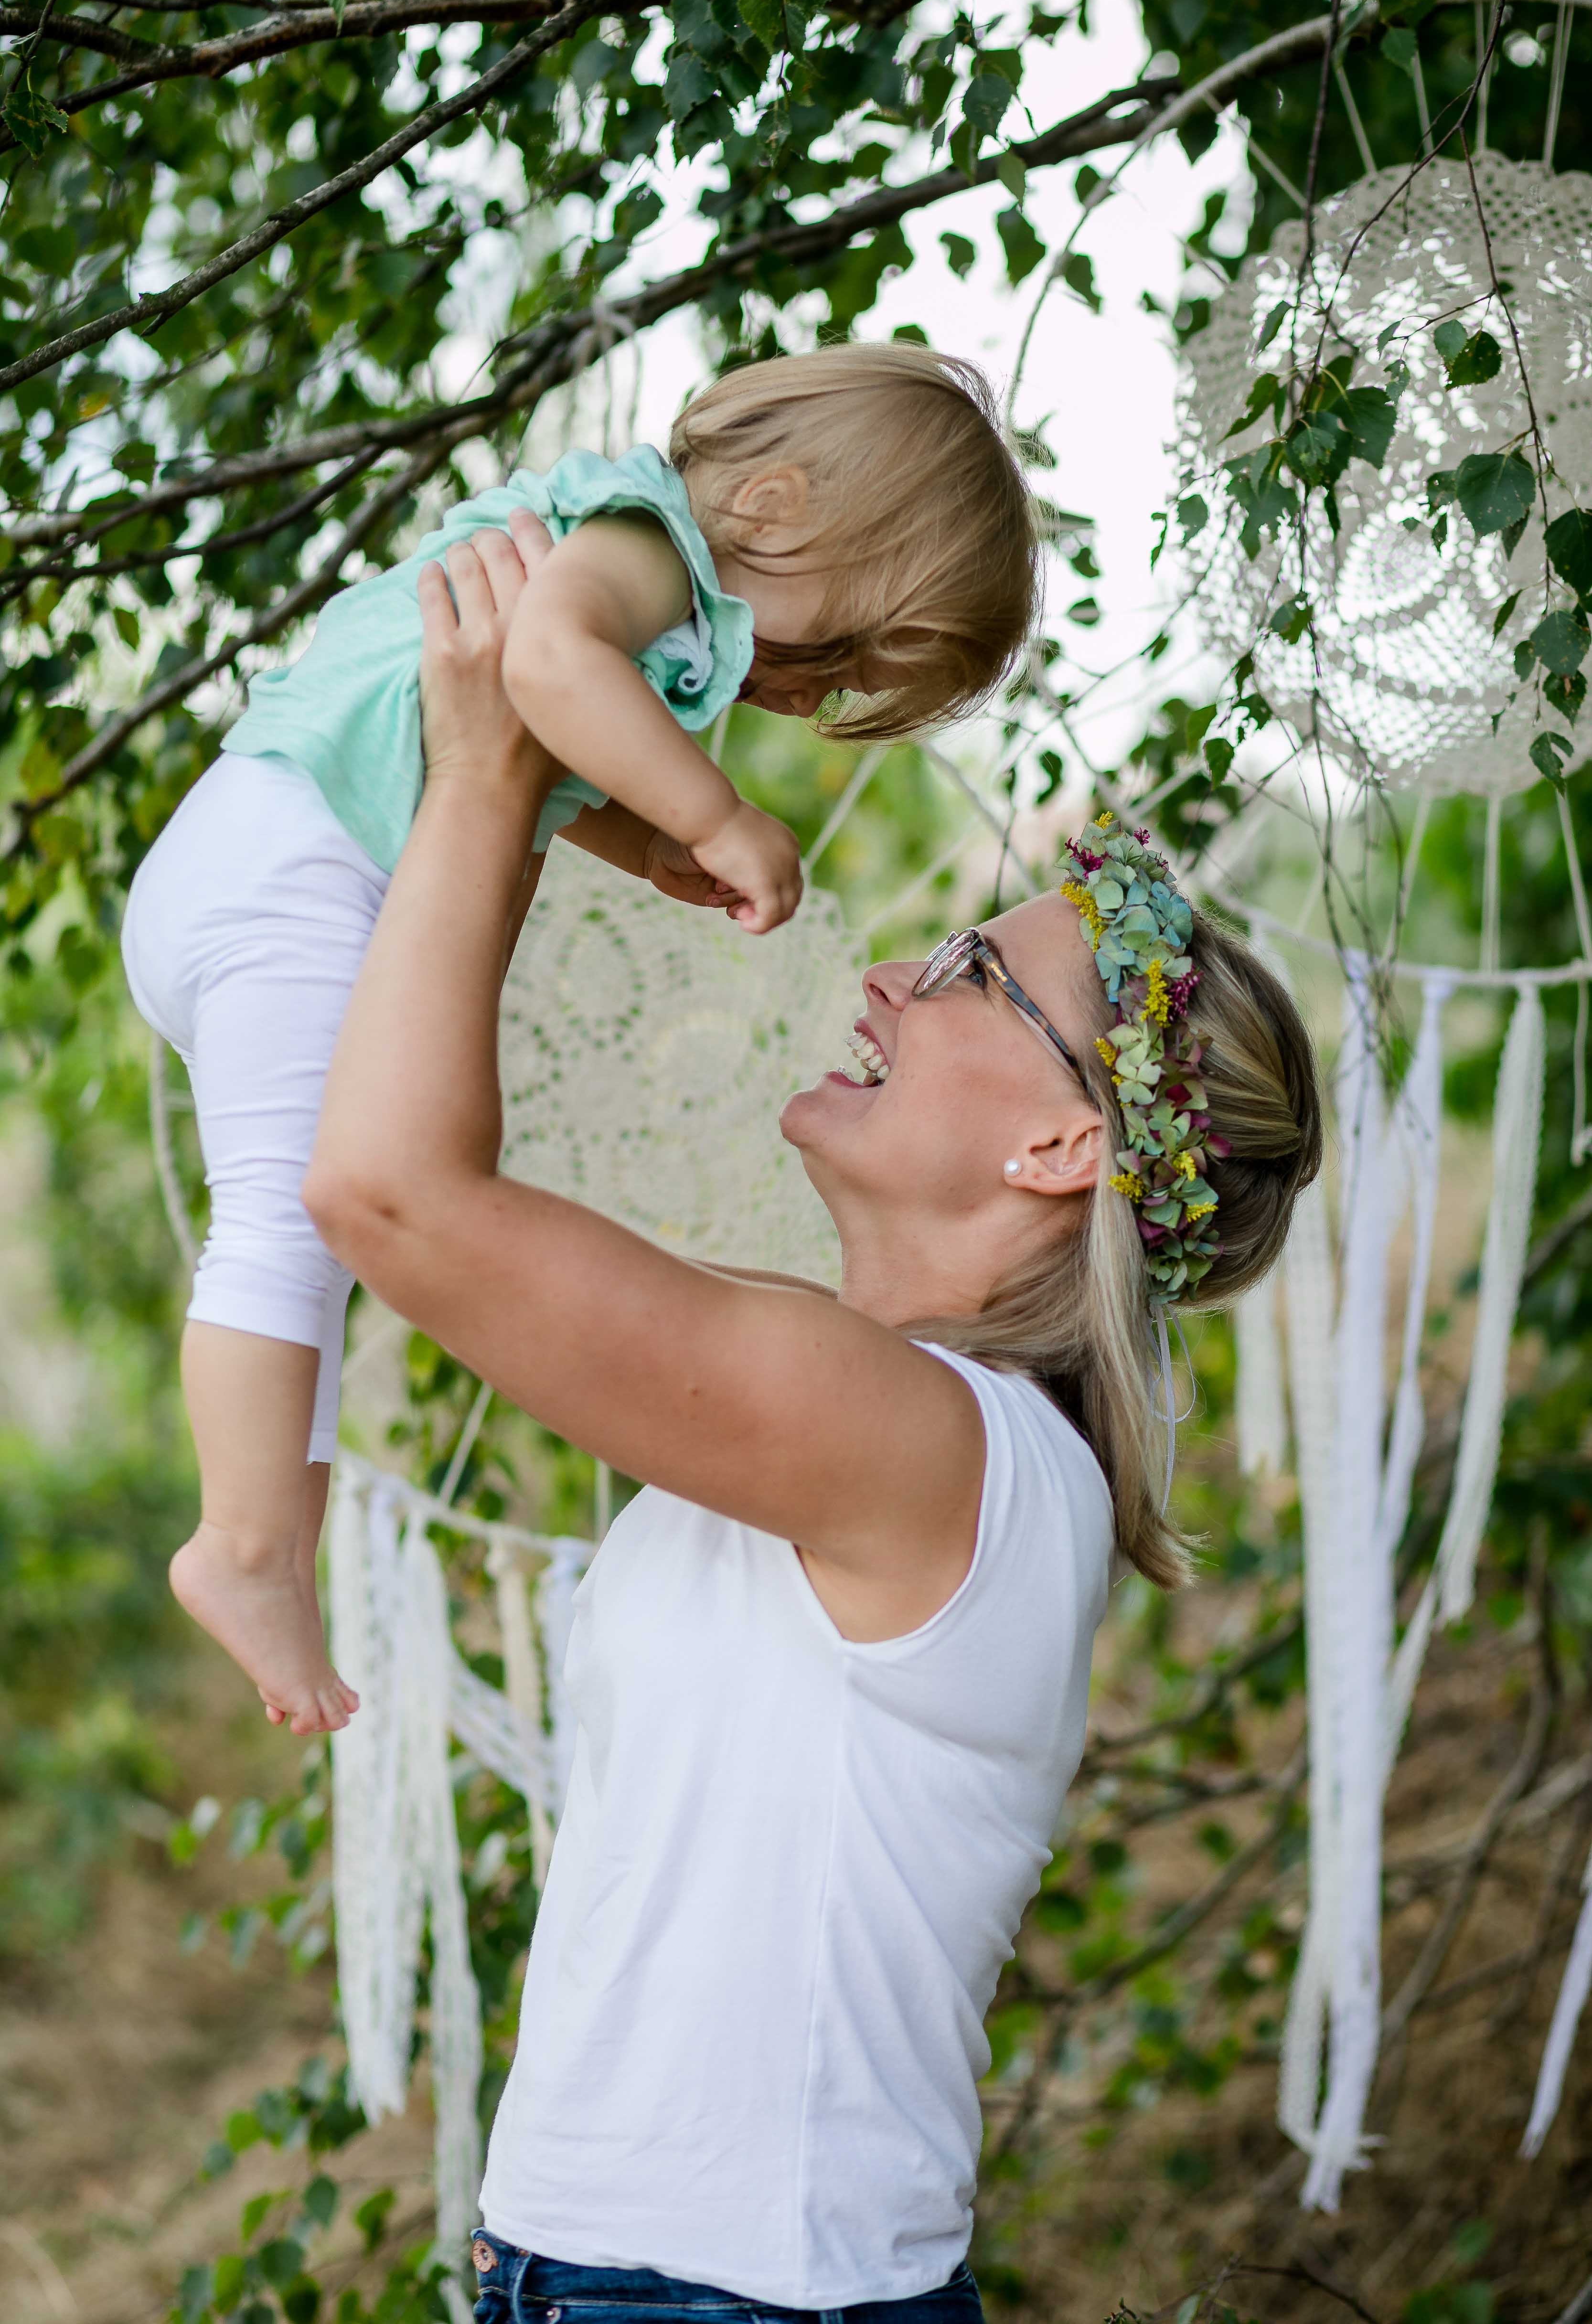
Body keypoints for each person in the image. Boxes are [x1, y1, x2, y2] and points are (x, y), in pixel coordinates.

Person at [301, 522, 1324, 2322]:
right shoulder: (866, 1401)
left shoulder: (938, 1451)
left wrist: (486, 779)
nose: (885, 981)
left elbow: (392, 1197)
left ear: (1062, 1148)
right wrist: (541, 780)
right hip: (595, 2274)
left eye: (967, 980)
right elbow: (427, 1178)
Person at [119, 343, 1038, 1735]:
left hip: (274, 861)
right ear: (778, 505)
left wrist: (637, 840)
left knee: (308, 1259)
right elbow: (543, 662)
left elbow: (544, 735)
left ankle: (269, 1553)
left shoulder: (649, 577)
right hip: (293, 861)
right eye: (831, 651)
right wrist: (711, 815)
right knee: (283, 1224)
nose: (810, 694)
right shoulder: (647, 541)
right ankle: (241, 1548)